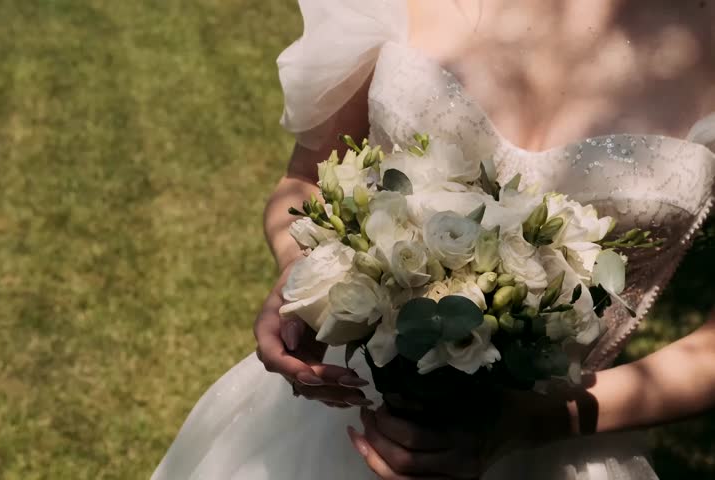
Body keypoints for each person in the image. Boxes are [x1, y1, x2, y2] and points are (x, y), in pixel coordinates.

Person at [152, 1, 715, 478]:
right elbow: (306, 179)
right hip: (336, 419)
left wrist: (533, 422)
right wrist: (297, 275)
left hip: (543, 453)